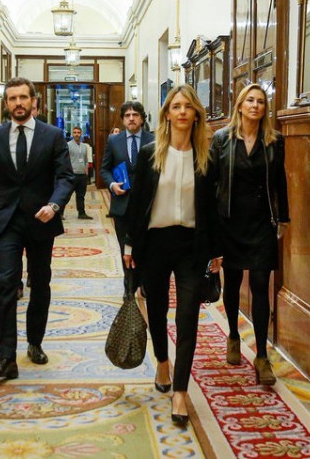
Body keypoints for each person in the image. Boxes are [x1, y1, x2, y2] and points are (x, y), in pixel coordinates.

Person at [124, 84, 221, 426]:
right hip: (155, 242)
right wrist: (129, 246)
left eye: (187, 106)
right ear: (167, 113)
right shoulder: (152, 153)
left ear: (196, 114)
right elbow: (136, 206)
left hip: (192, 245)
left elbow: (213, 208)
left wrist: (216, 251)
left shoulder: (208, 156)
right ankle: (162, 360)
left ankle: (180, 390)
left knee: (188, 316)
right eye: (175, 106)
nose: (181, 112)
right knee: (158, 309)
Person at [0, 77, 74, 379]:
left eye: (24, 98)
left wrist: (55, 205)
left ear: (34, 102)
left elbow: (65, 177)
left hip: (40, 219)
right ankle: (6, 357)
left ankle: (35, 341)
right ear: (6, 103)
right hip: (7, 222)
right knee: (6, 283)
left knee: (40, 283)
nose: (18, 103)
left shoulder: (53, 135)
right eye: (12, 98)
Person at [209, 83, 290, 386]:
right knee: (231, 283)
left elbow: (280, 181)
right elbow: (212, 183)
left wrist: (283, 218)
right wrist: (210, 227)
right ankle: (232, 334)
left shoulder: (274, 141)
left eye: (261, 101)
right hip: (229, 222)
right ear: (239, 106)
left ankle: (262, 356)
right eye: (250, 101)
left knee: (259, 284)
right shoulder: (221, 140)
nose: (256, 105)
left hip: (261, 223)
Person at [100, 102, 155, 296]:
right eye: (127, 115)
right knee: (126, 247)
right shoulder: (114, 141)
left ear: (142, 118)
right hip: (122, 204)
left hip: (148, 205)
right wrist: (112, 185)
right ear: (123, 119)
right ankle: (129, 285)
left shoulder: (154, 140)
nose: (131, 118)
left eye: (135, 114)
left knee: (146, 246)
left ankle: (145, 282)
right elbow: (104, 169)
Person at [67, 126, 93, 219]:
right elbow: (65, 159)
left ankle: (81, 213)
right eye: (75, 132)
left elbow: (86, 159)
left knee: (81, 195)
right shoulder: (68, 145)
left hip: (82, 175)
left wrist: (86, 170)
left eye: (78, 132)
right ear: (72, 134)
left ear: (81, 134)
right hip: (72, 174)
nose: (77, 134)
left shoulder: (84, 146)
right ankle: (60, 213)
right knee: (66, 195)